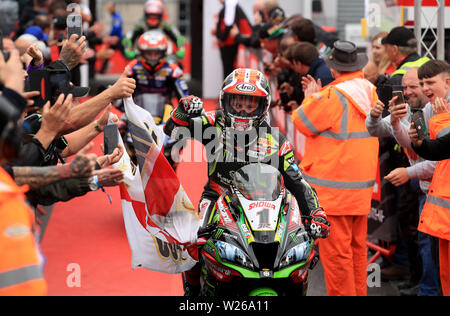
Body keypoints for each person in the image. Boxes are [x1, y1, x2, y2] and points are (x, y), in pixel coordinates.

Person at [164, 68, 330, 295]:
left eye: (250, 104)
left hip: (267, 201)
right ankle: (193, 292)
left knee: (299, 246)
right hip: (217, 195)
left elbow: (297, 181)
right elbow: (172, 133)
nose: (242, 109)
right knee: (192, 239)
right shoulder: (213, 122)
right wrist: (181, 113)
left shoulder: (275, 137)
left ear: (262, 105)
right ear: (226, 101)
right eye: (237, 102)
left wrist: (316, 212)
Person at [292, 41, 378, 296]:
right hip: (360, 192)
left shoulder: (332, 95)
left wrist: (309, 98)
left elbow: (302, 121)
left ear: (334, 67)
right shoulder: (370, 91)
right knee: (356, 254)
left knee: (338, 260)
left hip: (333, 193)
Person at [366, 67, 440, 296]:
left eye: (413, 86)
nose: (407, 92)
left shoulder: (436, 111)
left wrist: (408, 173)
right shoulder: (406, 109)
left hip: (437, 190)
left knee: (430, 246)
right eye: (404, 87)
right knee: (424, 243)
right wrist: (376, 115)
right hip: (424, 188)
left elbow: (438, 160)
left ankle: (427, 290)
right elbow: (376, 130)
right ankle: (423, 285)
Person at [409, 59, 450, 296]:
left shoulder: (442, 111)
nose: (425, 88)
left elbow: (445, 146)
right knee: (444, 278)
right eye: (422, 82)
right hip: (442, 211)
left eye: (430, 82)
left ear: (447, 82)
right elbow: (434, 150)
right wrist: (419, 143)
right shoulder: (435, 106)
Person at [214, 0, 252, 79]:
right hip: (228, 44)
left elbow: (229, 25)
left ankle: (229, 90)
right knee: (229, 71)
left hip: (229, 45)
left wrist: (221, 37)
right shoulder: (229, 6)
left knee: (229, 72)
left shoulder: (230, 5)